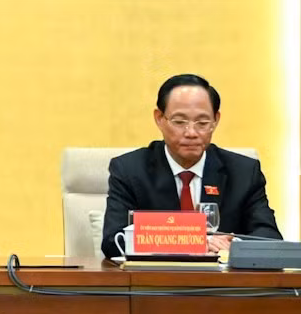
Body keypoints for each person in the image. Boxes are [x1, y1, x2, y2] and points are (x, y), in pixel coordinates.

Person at [101, 73, 280, 259]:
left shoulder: (243, 172)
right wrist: (195, 241)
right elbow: (113, 241)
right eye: (179, 122)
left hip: (222, 285)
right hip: (155, 283)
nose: (191, 132)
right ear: (159, 118)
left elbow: (270, 239)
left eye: (202, 123)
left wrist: (232, 245)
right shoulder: (130, 170)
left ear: (215, 121)